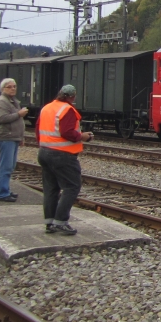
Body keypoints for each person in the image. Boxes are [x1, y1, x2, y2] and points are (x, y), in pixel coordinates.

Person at [36, 85, 93, 235]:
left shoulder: (46, 108)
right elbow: (67, 132)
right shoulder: (67, 110)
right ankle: (61, 221)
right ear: (72, 97)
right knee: (72, 187)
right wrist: (83, 136)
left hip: (44, 152)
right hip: (63, 155)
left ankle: (49, 223)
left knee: (51, 189)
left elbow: (38, 130)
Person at [0, 78, 26, 202]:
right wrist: (19, 114)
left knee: (10, 166)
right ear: (2, 89)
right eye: (9, 87)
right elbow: (1, 118)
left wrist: (20, 137)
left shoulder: (13, 101)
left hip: (13, 137)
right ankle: (2, 192)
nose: (13, 88)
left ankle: (5, 189)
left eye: (14, 86)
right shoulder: (2, 102)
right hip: (6, 137)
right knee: (5, 166)